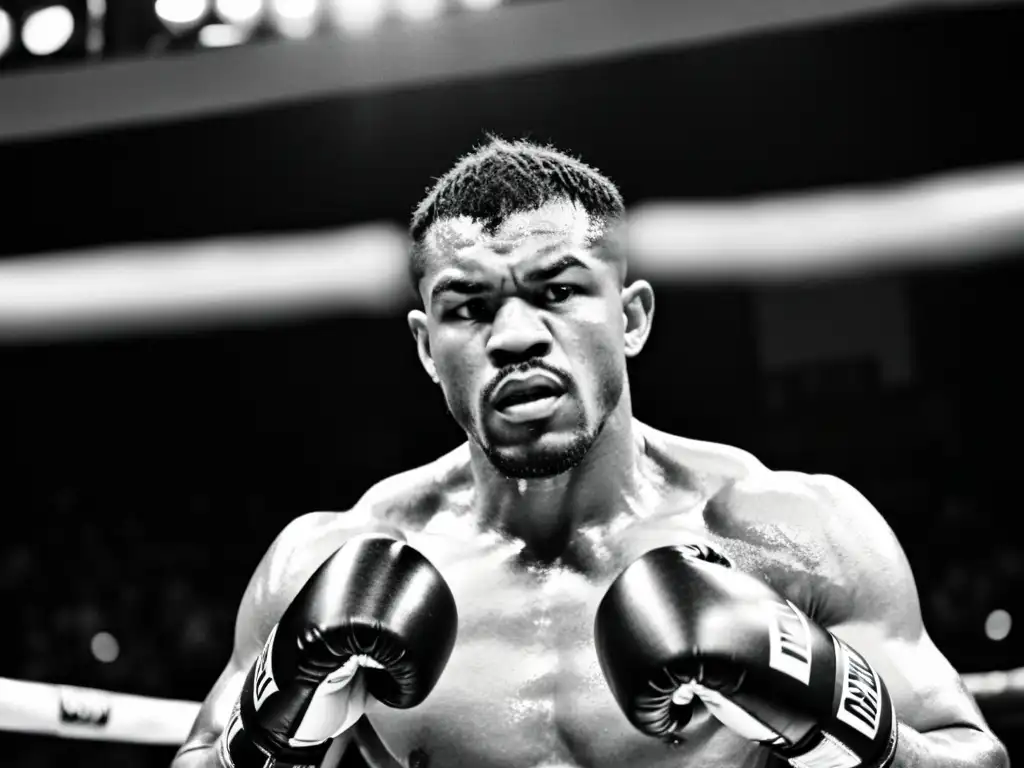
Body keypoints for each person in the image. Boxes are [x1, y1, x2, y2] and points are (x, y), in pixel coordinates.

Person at [172, 138, 1008, 768]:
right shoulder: (330, 556)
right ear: (427, 349)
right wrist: (270, 716)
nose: (515, 336)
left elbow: (971, 758)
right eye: (468, 307)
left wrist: (828, 706)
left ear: (633, 317)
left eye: (559, 291)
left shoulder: (787, 533)